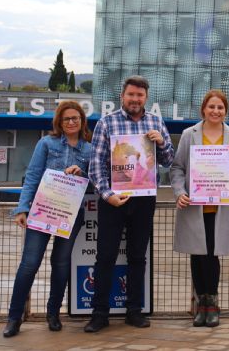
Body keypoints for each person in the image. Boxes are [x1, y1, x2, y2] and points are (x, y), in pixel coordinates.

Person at [84, 76, 174, 332]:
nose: (135, 99)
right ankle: (99, 314)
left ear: (146, 97)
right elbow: (96, 165)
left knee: (137, 256)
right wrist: (106, 193)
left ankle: (134, 311)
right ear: (122, 95)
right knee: (105, 257)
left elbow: (168, 160)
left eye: (140, 95)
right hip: (114, 199)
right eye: (131, 95)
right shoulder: (107, 122)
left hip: (144, 199)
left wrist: (162, 142)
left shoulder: (156, 122)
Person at [3, 101, 92, 338]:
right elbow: (32, 175)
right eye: (67, 119)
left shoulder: (89, 150)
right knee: (29, 264)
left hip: (70, 215)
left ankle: (53, 314)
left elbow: (96, 183)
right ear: (59, 123)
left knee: (61, 264)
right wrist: (22, 208)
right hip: (42, 212)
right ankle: (14, 318)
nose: (71, 122)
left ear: (82, 121)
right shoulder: (46, 143)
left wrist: (83, 173)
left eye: (76, 118)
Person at [170, 89, 229, 328]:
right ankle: (200, 304)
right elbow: (177, 168)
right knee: (197, 253)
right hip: (195, 205)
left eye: (220, 107)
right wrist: (180, 192)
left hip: (219, 205)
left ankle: (212, 304)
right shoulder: (188, 134)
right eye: (211, 107)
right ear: (203, 109)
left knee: (212, 254)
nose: (215, 111)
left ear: (226, 111)